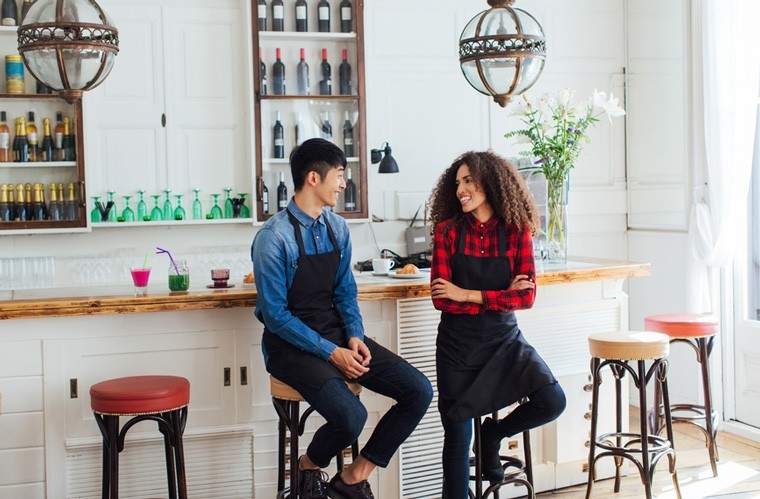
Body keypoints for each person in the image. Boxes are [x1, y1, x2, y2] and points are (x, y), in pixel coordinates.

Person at [252, 138, 433, 499]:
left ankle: (352, 477)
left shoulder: (337, 228)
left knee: (418, 391)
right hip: (290, 346)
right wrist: (331, 353)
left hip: (337, 335)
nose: (343, 183)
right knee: (352, 417)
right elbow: (275, 317)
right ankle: (307, 467)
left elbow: (344, 292)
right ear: (314, 178)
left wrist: (354, 337)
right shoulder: (273, 239)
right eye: (339, 175)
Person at [428, 151, 566, 497]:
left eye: (468, 181)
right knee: (458, 440)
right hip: (457, 348)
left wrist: (469, 295)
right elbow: (442, 298)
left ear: (490, 183)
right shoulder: (447, 233)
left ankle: (495, 433)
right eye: (458, 182)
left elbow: (526, 298)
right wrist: (496, 294)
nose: (461, 189)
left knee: (553, 400)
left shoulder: (518, 232)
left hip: (505, 343)